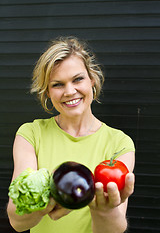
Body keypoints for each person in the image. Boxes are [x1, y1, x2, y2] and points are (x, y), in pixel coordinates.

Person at [7, 36, 135, 233]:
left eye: (78, 79)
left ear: (91, 79)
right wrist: (49, 204)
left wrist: (104, 211)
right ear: (47, 92)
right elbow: (17, 221)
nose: (69, 91)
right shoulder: (31, 134)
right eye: (57, 84)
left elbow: (114, 230)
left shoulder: (120, 144)